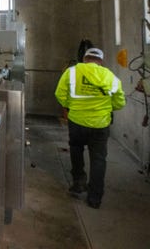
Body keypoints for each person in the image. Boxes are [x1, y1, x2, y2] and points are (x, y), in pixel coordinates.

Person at [54, 47, 126, 208]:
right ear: (100, 61)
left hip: (77, 121)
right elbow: (120, 102)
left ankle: (78, 183)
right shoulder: (110, 77)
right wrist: (106, 108)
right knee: (99, 159)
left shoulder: (72, 72)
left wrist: (71, 107)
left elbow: (60, 94)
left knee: (76, 150)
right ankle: (95, 198)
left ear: (84, 58)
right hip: (100, 124)